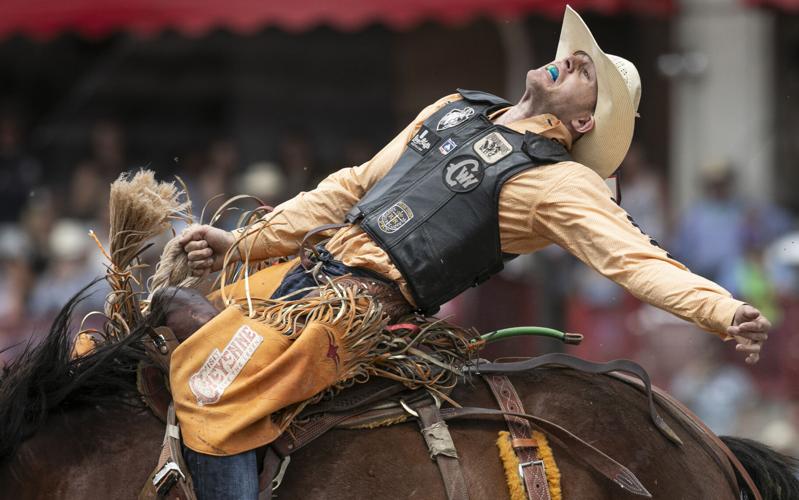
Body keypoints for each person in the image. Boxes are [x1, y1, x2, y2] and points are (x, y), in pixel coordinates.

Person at [177, 7, 771, 499]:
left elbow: (634, 261)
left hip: (350, 316)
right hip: (300, 276)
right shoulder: (452, 108)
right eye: (573, 55)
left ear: (585, 118)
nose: (566, 60)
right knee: (153, 333)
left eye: (583, 70)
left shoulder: (560, 183)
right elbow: (352, 187)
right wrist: (243, 242)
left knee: (215, 391)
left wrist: (722, 311)